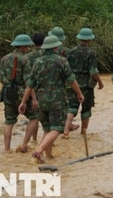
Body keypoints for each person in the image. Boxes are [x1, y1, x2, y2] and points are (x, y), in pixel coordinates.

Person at [19, 35, 84, 164]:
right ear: (56, 46)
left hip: (41, 100)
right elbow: (71, 80)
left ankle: (48, 156)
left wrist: (23, 101)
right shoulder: (61, 61)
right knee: (57, 128)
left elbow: (30, 84)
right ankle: (39, 150)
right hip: (57, 100)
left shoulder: (37, 62)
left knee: (47, 129)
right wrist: (79, 93)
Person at [0, 34, 37, 152]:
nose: (29, 49)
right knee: (34, 117)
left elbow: (1, 79)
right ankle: (24, 145)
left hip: (8, 92)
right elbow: (28, 81)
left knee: (9, 122)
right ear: (23, 47)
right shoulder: (25, 59)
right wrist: (34, 99)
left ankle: (7, 149)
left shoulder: (4, 58)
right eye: (28, 46)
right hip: (22, 92)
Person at [64, 27, 103, 138]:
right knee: (86, 109)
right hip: (86, 85)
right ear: (90, 40)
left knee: (71, 108)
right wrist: (100, 82)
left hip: (72, 83)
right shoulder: (91, 53)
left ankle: (66, 130)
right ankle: (83, 133)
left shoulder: (70, 52)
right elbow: (93, 71)